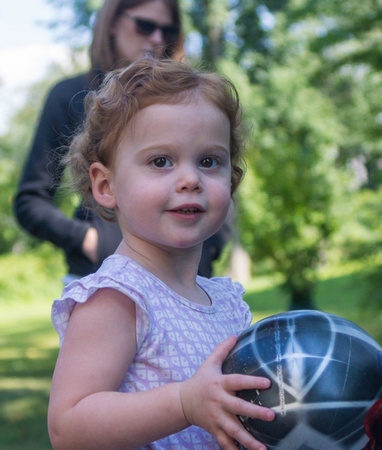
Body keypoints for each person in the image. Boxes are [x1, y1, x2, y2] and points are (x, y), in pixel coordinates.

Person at [48, 57, 275, 449]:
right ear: (105, 185)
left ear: (231, 179)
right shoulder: (117, 298)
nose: (190, 179)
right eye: (160, 161)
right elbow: (68, 428)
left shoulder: (225, 302)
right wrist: (184, 403)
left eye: (209, 161)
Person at [14, 0, 226, 281]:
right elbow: (30, 200)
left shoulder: (189, 102)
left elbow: (219, 173)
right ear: (112, 23)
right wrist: (90, 240)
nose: (157, 38)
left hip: (191, 280)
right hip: (106, 277)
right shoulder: (70, 96)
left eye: (169, 31)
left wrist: (213, 244)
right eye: (145, 25)